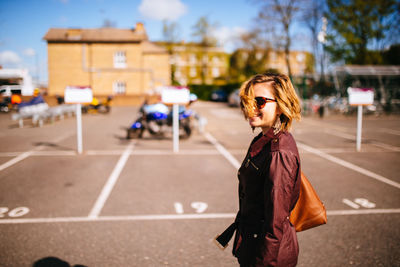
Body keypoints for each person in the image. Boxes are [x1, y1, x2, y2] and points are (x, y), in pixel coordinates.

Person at [218, 73, 302, 267]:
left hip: (267, 256)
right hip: (253, 244)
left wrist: (266, 262)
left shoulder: (279, 152)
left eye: (260, 101)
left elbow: (276, 222)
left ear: (281, 105)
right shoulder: (264, 140)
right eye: (247, 102)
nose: (251, 108)